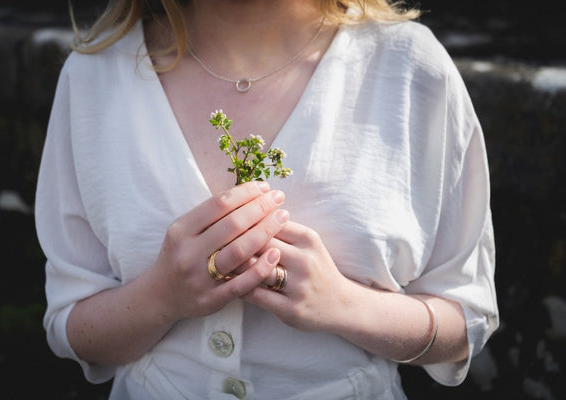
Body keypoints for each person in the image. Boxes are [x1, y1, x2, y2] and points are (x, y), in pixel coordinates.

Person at [35, 0, 499, 398]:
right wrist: (161, 296)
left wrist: (345, 306)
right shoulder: (94, 75)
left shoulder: (411, 69)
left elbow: (466, 320)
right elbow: (70, 326)